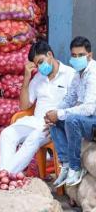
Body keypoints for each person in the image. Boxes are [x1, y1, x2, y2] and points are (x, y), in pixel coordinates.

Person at [0, 41, 75, 174]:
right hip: (36, 120)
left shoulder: (70, 75)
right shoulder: (38, 78)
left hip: (55, 124)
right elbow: (24, 105)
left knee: (33, 138)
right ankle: (4, 175)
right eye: (37, 65)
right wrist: (27, 78)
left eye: (41, 62)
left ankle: (5, 175)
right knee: (7, 134)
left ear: (50, 54)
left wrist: (59, 121)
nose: (40, 67)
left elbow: (77, 106)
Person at [45, 36, 96, 187]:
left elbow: (89, 108)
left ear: (89, 55)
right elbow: (69, 99)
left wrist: (60, 114)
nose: (76, 58)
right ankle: (66, 164)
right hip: (88, 119)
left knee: (70, 119)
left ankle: (76, 167)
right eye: (74, 55)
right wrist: (53, 113)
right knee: (54, 121)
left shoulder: (93, 75)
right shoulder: (77, 74)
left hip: (93, 119)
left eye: (81, 55)